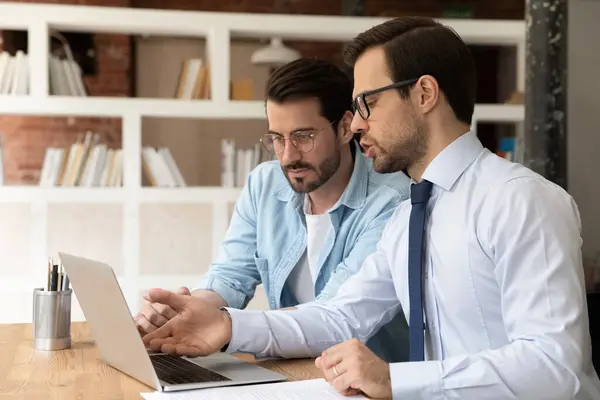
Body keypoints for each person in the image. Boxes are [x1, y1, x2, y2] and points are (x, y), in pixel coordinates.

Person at [142, 16, 600, 399]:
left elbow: (554, 366)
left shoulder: (521, 201)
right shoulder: (410, 215)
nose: (356, 122)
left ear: (423, 94)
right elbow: (340, 316)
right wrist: (226, 326)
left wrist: (393, 378)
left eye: (368, 102)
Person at [135, 57, 412, 363]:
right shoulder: (264, 184)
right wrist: (185, 311)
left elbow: (336, 315)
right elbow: (232, 274)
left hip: (366, 384)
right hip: (287, 374)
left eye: (303, 137)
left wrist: (224, 325)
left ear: (346, 127)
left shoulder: (393, 200)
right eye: (277, 138)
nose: (288, 155)